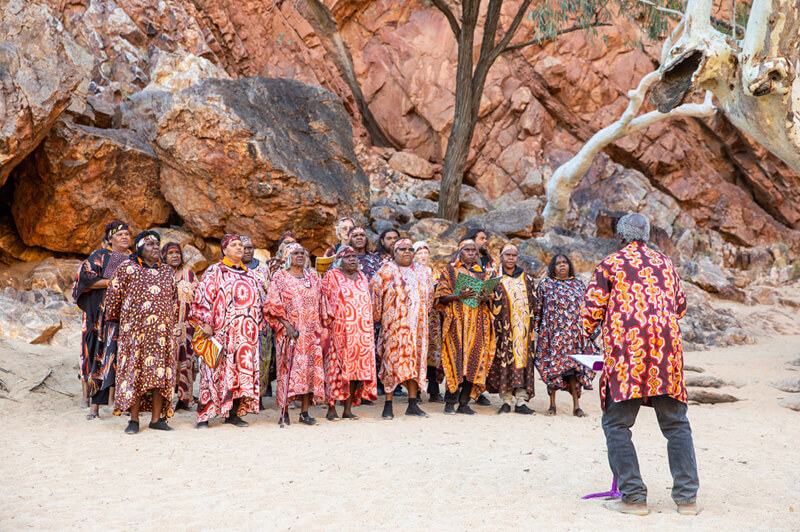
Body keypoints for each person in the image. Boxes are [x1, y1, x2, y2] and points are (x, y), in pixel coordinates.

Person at [583, 213, 699, 516]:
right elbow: (681, 306)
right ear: (646, 236)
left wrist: (587, 335)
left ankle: (634, 497)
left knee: (616, 423)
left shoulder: (610, 264)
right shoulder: (665, 264)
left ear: (621, 237)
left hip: (627, 357)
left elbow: (589, 314)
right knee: (676, 424)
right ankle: (687, 500)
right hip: (666, 355)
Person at [104, 231, 177, 434]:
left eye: (157, 244)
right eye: (150, 244)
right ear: (139, 248)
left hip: (161, 335)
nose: (155, 247)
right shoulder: (126, 268)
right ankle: (134, 420)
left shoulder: (167, 272)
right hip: (134, 335)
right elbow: (113, 298)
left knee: (158, 376)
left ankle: (156, 420)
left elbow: (174, 302)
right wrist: (122, 325)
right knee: (134, 374)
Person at [191, 234, 263, 428]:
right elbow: (202, 298)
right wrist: (206, 322)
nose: (239, 248)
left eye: (241, 245)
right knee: (212, 372)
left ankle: (233, 414)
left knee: (240, 373)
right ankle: (204, 415)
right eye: (234, 245)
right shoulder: (215, 271)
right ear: (224, 250)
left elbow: (259, 303)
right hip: (220, 333)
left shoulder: (251, 275)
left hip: (246, 336)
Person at [72, 220, 131, 419]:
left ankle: (123, 404)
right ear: (109, 238)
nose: (125, 237)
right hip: (101, 319)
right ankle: (94, 407)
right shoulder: (101, 256)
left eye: (127, 234)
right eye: (120, 234)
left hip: (127, 318)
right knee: (100, 359)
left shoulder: (133, 258)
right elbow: (85, 279)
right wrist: (113, 281)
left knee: (124, 359)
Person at [264, 243, 327, 426]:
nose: (300, 256)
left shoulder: (312, 276)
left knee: (309, 371)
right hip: (290, 333)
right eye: (296, 253)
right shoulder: (280, 277)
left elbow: (321, 302)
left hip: (311, 334)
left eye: (303, 253)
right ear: (287, 257)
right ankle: (284, 413)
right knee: (287, 371)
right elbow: (272, 305)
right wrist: (287, 326)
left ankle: (305, 412)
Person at [371, 238, 434, 419]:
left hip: (417, 329)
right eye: (402, 249)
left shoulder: (423, 272)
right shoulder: (384, 272)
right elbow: (375, 301)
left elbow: (429, 300)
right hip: (394, 328)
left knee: (415, 362)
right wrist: (384, 320)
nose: (407, 252)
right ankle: (388, 404)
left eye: (409, 249)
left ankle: (412, 404)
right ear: (394, 252)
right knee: (391, 363)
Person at [435, 238, 496, 415]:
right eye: (467, 250)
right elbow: (440, 296)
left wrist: (485, 298)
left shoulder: (482, 274)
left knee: (474, 362)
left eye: (474, 251)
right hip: (456, 324)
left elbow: (491, 299)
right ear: (460, 252)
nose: (471, 253)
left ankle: (464, 402)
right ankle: (450, 402)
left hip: (478, 325)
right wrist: (458, 295)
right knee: (455, 361)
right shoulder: (450, 271)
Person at [534, 254, 595, 417]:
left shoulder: (578, 284)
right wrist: (539, 332)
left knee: (574, 371)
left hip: (574, 337)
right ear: (553, 267)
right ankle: (552, 405)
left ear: (570, 266)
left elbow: (586, 310)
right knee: (553, 370)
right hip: (552, 337)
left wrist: (588, 332)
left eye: (564, 263)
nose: (562, 265)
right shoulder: (546, 285)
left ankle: (577, 406)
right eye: (558, 263)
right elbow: (538, 309)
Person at [321, 246, 377, 420]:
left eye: (354, 256)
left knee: (356, 372)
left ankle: (347, 409)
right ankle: (331, 408)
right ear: (339, 260)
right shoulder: (332, 276)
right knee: (334, 370)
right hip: (339, 332)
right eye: (347, 257)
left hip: (361, 333)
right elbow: (325, 302)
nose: (352, 259)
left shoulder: (362, 277)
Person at [487, 244, 536, 415]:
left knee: (523, 363)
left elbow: (534, 302)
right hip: (502, 331)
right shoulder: (494, 278)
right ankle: (506, 400)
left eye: (514, 255)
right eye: (507, 255)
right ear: (501, 256)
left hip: (523, 331)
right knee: (504, 362)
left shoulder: (526, 277)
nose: (510, 258)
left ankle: (521, 400)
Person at [162, 242, 198, 411]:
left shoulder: (190, 276)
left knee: (186, 363)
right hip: (165, 329)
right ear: (163, 256)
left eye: (177, 253)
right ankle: (164, 401)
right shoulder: (159, 275)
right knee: (166, 364)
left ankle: (185, 400)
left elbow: (199, 300)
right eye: (170, 253)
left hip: (187, 329)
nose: (175, 256)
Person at [242, 235, 273, 405]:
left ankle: (258, 397)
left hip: (262, 324)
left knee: (262, 361)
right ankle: (245, 396)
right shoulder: (234, 269)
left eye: (250, 248)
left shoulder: (262, 269)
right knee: (244, 360)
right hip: (241, 324)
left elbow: (270, 294)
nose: (247, 251)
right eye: (244, 248)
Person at [414, 241, 444, 403]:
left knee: (433, 354)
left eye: (426, 253)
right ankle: (416, 391)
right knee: (417, 353)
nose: (423, 256)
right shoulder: (410, 273)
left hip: (433, 320)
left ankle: (434, 390)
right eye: (419, 253)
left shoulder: (435, 273)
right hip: (416, 319)